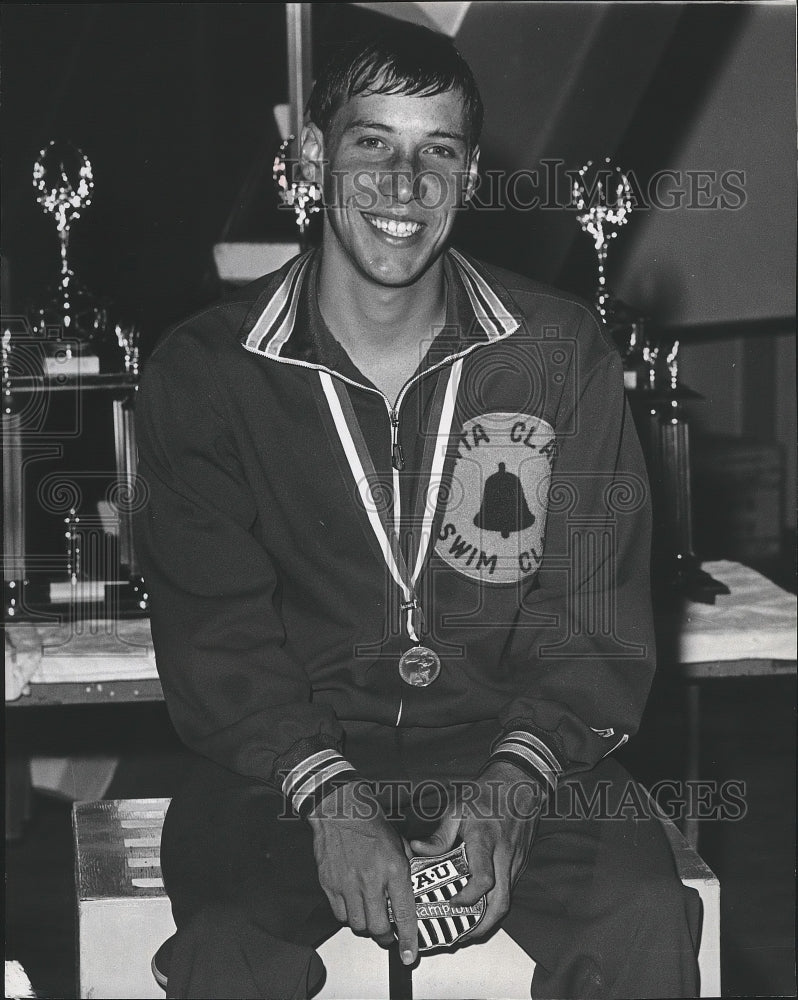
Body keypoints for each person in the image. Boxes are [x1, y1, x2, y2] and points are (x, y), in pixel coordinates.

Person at [134, 22, 701, 1000]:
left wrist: (517, 783)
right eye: (372, 144)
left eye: (436, 151)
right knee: (229, 944)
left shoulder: (560, 354)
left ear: (471, 174)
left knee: (644, 915)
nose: (405, 184)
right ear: (312, 157)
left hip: (510, 740)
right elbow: (215, 640)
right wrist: (324, 789)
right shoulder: (207, 374)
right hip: (281, 765)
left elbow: (593, 626)